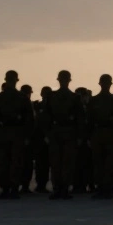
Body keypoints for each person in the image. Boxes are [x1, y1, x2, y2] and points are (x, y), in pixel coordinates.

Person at [0, 70, 33, 199]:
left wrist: (27, 136)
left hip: (17, 132)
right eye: (9, 80)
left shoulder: (22, 98)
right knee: (3, 162)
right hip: (4, 132)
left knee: (16, 161)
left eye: (12, 80)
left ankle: (14, 187)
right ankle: (6, 188)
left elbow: (29, 119)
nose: (10, 82)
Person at [45, 70, 84, 200]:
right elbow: (46, 117)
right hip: (64, 132)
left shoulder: (71, 97)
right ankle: (61, 189)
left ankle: (61, 189)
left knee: (62, 162)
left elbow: (80, 118)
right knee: (60, 162)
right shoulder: (72, 97)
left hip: (64, 132)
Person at [88, 75, 113, 199]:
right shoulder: (94, 100)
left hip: (111, 134)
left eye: (107, 83)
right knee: (98, 163)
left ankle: (108, 188)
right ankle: (100, 188)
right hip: (98, 133)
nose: (105, 85)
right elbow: (89, 120)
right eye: (104, 83)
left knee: (110, 163)